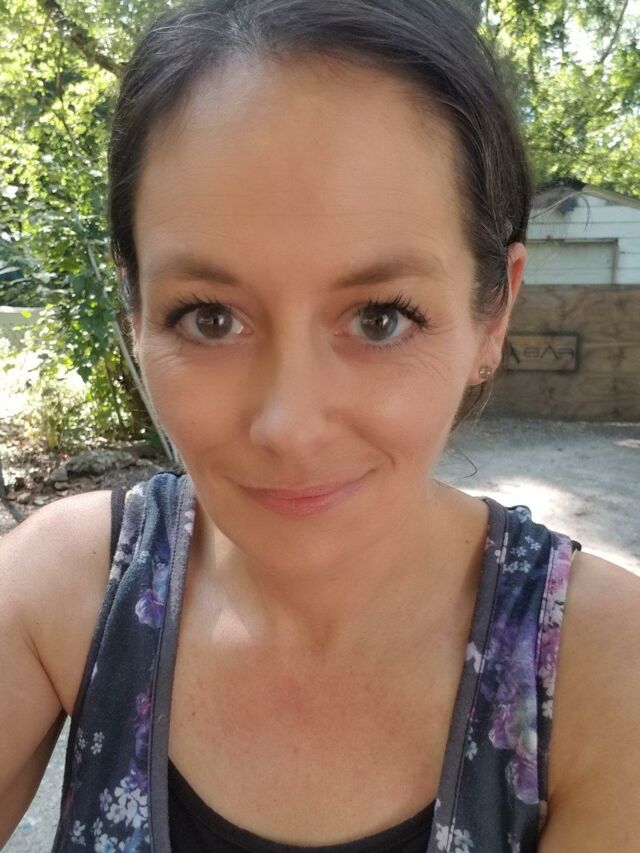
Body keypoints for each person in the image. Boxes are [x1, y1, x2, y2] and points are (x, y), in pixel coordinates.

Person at [1, 0, 639, 850]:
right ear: (136, 311)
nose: (289, 426)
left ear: (494, 314)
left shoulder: (608, 668)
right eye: (209, 317)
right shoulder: (63, 589)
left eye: (381, 317)